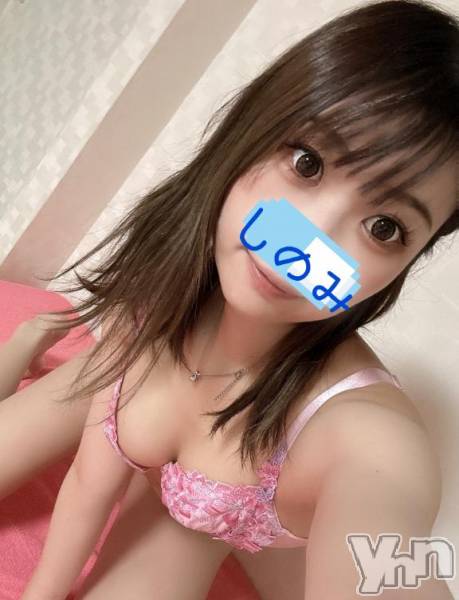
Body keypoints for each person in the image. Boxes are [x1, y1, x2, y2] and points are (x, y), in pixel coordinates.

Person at [2, 0, 457, 598]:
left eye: (384, 227)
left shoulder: (370, 440)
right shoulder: (170, 302)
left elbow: (392, 543)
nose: (307, 243)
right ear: (253, 128)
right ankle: (22, 349)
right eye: (307, 163)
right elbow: (88, 482)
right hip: (141, 364)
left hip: (189, 521)